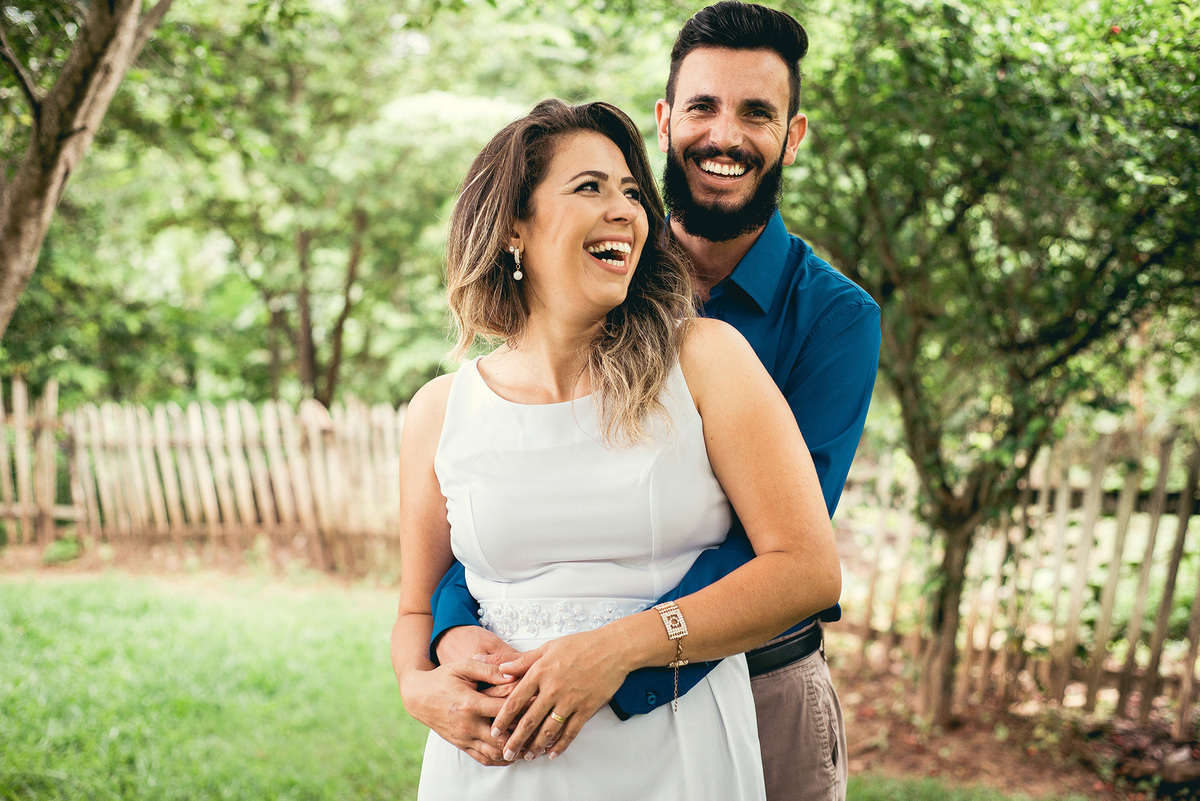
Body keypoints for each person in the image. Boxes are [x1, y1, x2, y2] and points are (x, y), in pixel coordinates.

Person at [424, 4, 881, 800]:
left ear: (793, 137)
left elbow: (773, 545)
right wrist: (456, 626)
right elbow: (517, 494)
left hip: (759, 683)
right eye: (703, 107)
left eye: (757, 113)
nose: (724, 136)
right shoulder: (595, 268)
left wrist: (613, 657)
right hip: (540, 693)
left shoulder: (832, 318)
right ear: (666, 122)